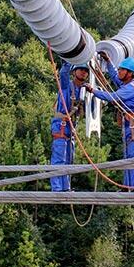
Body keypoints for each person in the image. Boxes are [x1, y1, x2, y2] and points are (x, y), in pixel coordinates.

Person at [85, 53, 134, 190]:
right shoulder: (127, 83)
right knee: (128, 156)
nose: (119, 72)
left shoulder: (132, 88)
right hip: (130, 125)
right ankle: (128, 186)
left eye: (122, 70)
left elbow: (113, 97)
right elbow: (114, 76)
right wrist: (108, 61)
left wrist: (93, 91)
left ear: (130, 73)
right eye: (119, 69)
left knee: (133, 156)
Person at [50, 61, 90, 192]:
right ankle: (57, 189)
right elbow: (62, 73)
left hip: (71, 128)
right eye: (80, 69)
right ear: (74, 72)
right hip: (61, 125)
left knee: (68, 159)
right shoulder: (67, 86)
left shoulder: (83, 91)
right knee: (59, 158)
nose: (83, 72)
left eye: (85, 70)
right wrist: (70, 59)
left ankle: (65, 188)